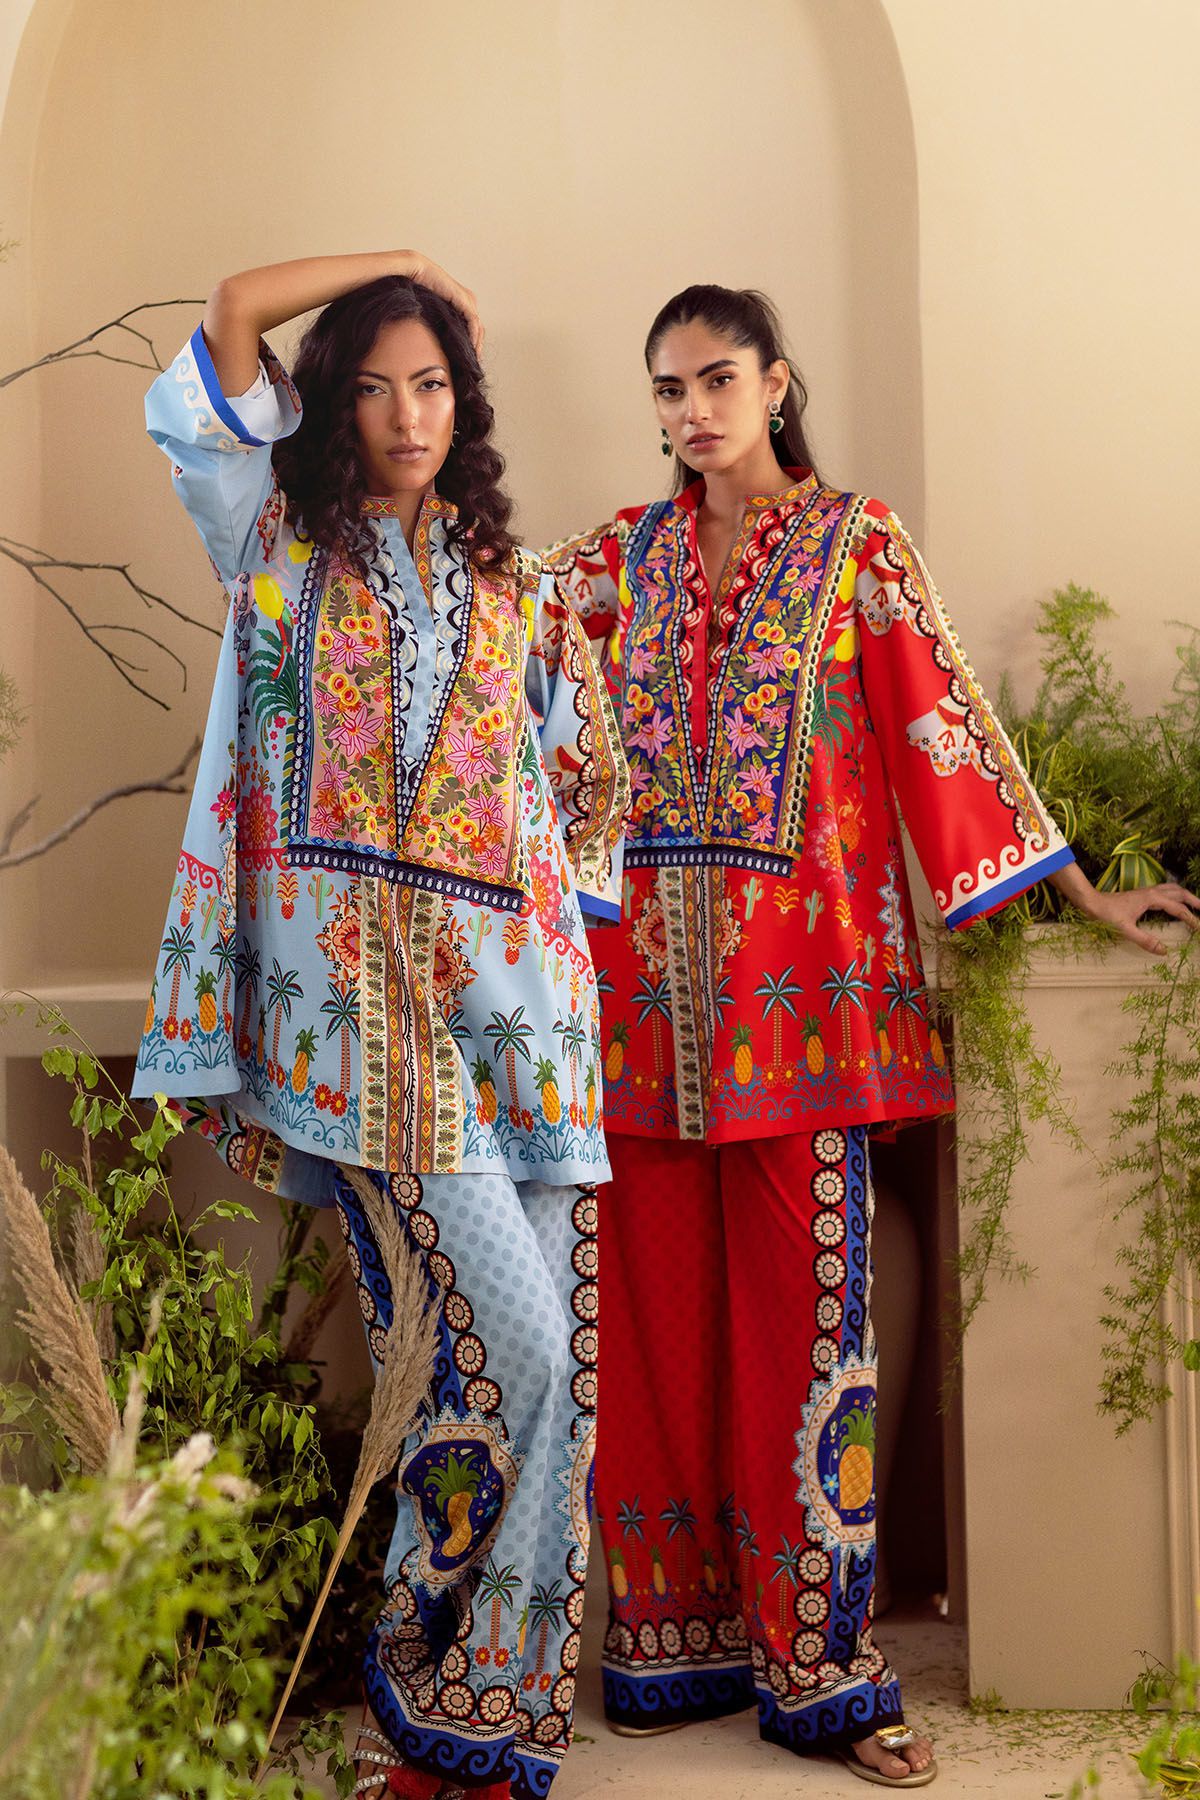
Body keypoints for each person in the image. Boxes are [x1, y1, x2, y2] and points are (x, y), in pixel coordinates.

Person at [544, 283, 1200, 1788]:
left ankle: (822, 1664)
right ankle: (670, 1645)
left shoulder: (856, 546)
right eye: (668, 389)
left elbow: (939, 728)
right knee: (644, 1333)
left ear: (777, 383)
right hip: (635, 1016)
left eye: (718, 378)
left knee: (810, 1339)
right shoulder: (611, 564)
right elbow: (497, 668)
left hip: (808, 1014)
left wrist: (1081, 893)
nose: (692, 410)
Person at [131, 251, 629, 1800]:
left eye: (430, 384)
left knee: (518, 1380)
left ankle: (476, 1725)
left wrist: (554, 937)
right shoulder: (273, 536)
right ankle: (425, 1676)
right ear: (333, 405)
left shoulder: (519, 587)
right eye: (371, 385)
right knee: (522, 1358)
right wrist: (405, 264)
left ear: (461, 404)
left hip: (525, 1028)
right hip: (358, 1025)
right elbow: (230, 311)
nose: (407, 414)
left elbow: (592, 788)